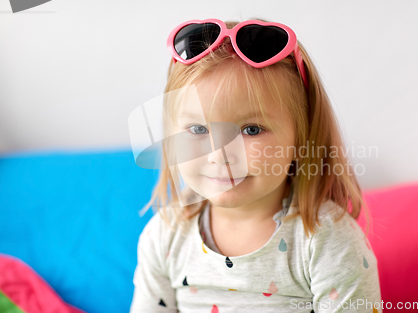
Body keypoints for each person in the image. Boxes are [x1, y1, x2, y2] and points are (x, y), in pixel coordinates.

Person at [130, 18, 382, 313]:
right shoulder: (166, 234)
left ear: (301, 138)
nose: (219, 155)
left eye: (251, 130)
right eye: (198, 130)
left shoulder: (327, 243)